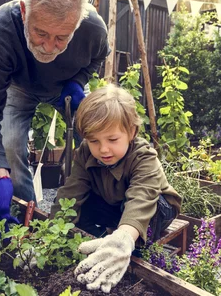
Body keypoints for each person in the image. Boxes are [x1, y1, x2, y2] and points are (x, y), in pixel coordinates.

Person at [0, 0, 109, 237]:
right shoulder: (3, 29)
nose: (48, 46)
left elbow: (97, 57)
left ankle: (101, 213)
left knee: (99, 137)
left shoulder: (92, 27)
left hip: (67, 86)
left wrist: (77, 82)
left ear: (77, 24)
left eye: (61, 38)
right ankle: (26, 222)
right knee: (9, 148)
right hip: (19, 87)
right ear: (24, 12)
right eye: (40, 33)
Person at [49, 84, 181, 293]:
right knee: (77, 206)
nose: (103, 149)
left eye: (112, 139)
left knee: (146, 211)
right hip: (113, 202)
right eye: (93, 140)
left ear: (131, 132)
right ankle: (101, 242)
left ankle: (127, 249)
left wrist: (125, 238)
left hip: (155, 207)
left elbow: (141, 197)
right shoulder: (86, 153)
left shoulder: (144, 156)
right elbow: (71, 192)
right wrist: (48, 236)